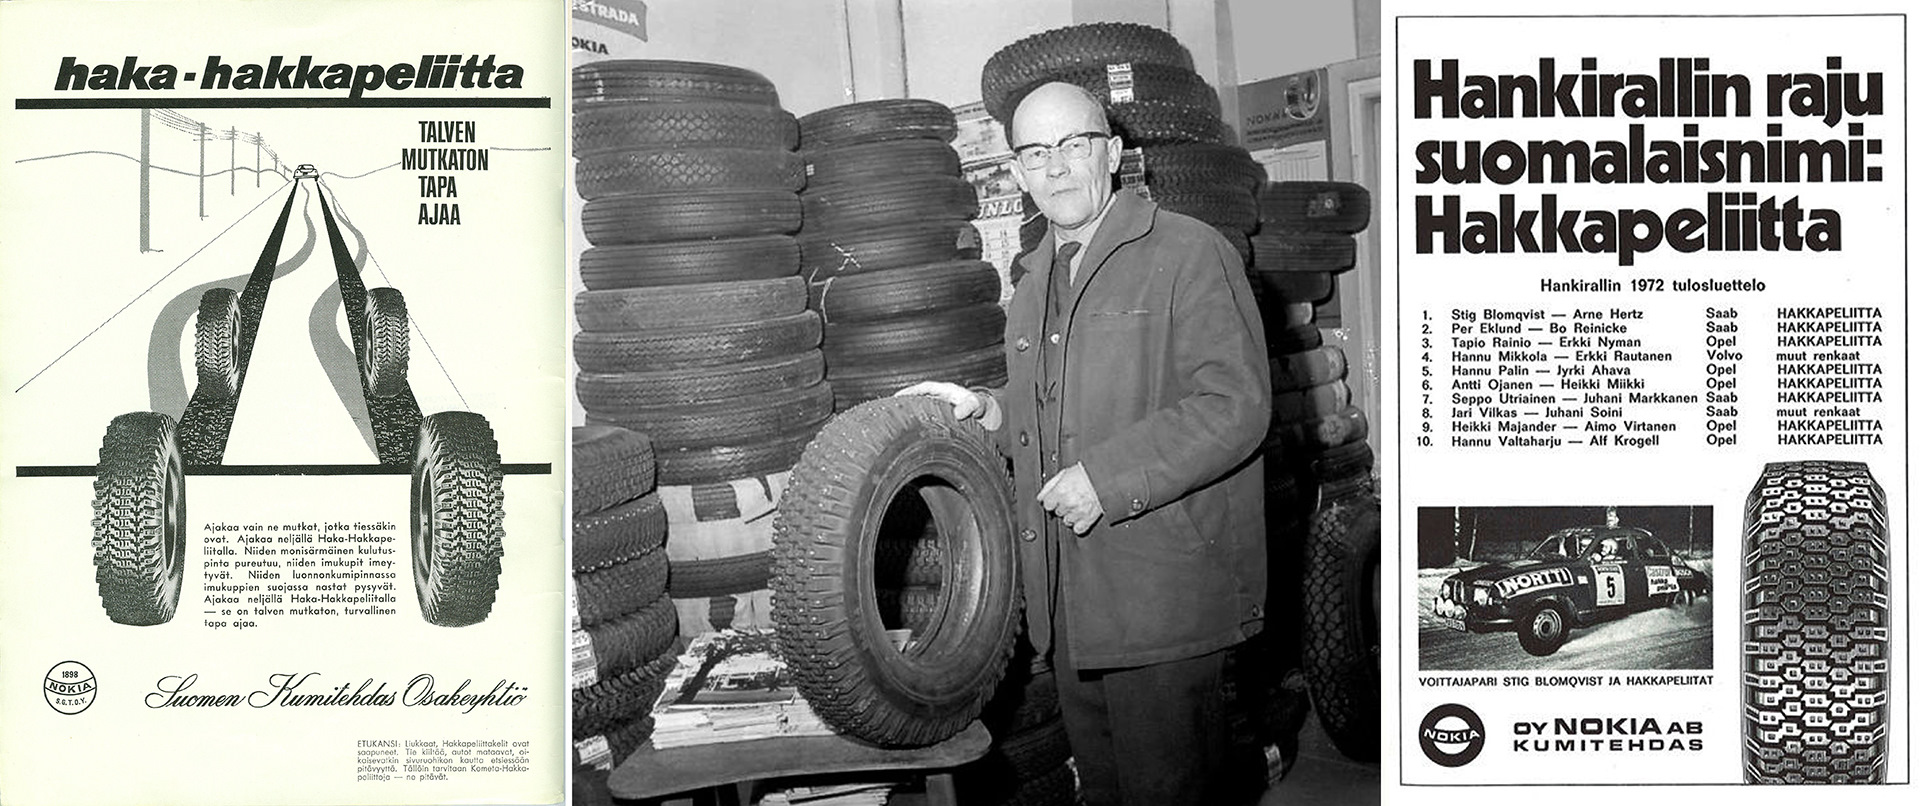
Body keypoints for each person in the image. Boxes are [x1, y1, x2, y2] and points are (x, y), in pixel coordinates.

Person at [898, 81, 1270, 806]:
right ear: (1017, 170)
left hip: (1161, 597)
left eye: (1075, 144)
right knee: (1104, 791)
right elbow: (1057, 402)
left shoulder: (1189, 251)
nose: (1057, 167)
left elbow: (1236, 406)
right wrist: (987, 410)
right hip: (1070, 599)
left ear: (1114, 152)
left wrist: (1104, 478)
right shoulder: (1037, 275)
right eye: (1037, 152)